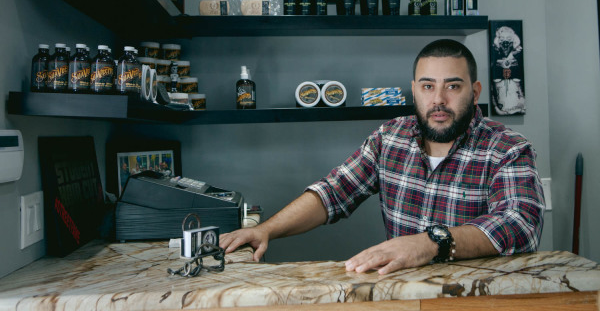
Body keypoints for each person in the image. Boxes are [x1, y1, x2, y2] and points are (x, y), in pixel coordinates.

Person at [220, 39, 545, 275]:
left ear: (474, 93)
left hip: (477, 301)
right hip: (401, 297)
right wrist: (266, 230)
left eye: (453, 87)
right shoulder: (389, 138)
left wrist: (431, 243)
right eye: (428, 86)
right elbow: (333, 192)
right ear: (414, 89)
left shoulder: (508, 149)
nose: (439, 100)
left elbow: (520, 224)